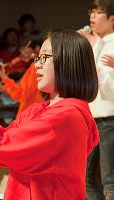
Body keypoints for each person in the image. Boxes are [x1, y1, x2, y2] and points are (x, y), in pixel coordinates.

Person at [0, 30, 99, 200]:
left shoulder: (66, 117)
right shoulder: (37, 111)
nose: (37, 65)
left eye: (44, 57)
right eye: (37, 58)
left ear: (67, 61)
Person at [83, 0, 114, 199]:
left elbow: (111, 91)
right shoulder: (97, 43)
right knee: (85, 177)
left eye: (98, 13)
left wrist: (93, 68)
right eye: (91, 12)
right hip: (92, 118)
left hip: (110, 119)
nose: (92, 17)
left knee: (109, 180)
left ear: (112, 19)